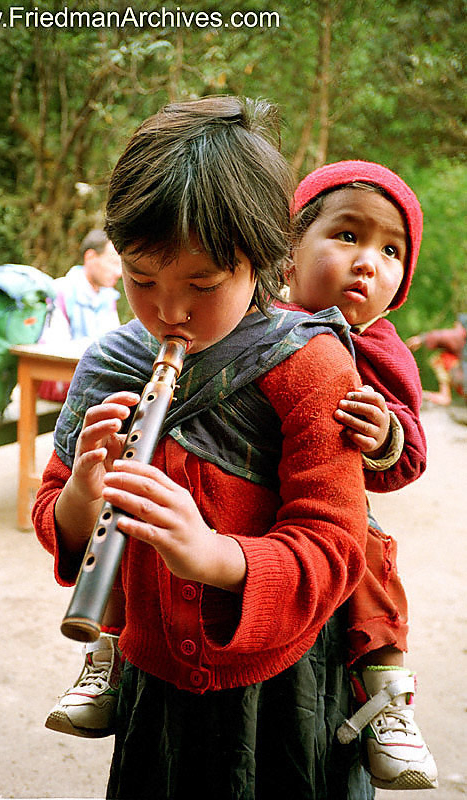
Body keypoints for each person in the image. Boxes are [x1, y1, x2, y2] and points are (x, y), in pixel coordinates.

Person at [33, 96, 373, 799]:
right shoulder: (112, 361)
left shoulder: (308, 366)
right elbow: (55, 513)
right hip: (155, 694)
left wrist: (217, 555)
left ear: (261, 260)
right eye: (141, 279)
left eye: (201, 283)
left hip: (285, 693)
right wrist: (79, 497)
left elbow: (336, 546)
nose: (167, 310)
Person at [279, 160, 438, 790]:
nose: (367, 260)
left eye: (390, 250)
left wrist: (382, 436)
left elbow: (411, 450)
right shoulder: (253, 320)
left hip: (331, 505)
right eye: (347, 236)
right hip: (246, 494)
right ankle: (111, 650)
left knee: (369, 552)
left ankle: (386, 698)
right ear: (289, 249)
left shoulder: (381, 349)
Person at [38, 230, 123, 402]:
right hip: (61, 383)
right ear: (90, 257)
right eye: (113, 263)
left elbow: (115, 343)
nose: (119, 272)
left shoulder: (108, 297)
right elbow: (55, 347)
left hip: (94, 381)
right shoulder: (60, 291)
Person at [407, 317, 467, 406]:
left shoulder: (461, 334)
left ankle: (444, 394)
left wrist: (422, 339)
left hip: (463, 380)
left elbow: (448, 336)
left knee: (442, 358)